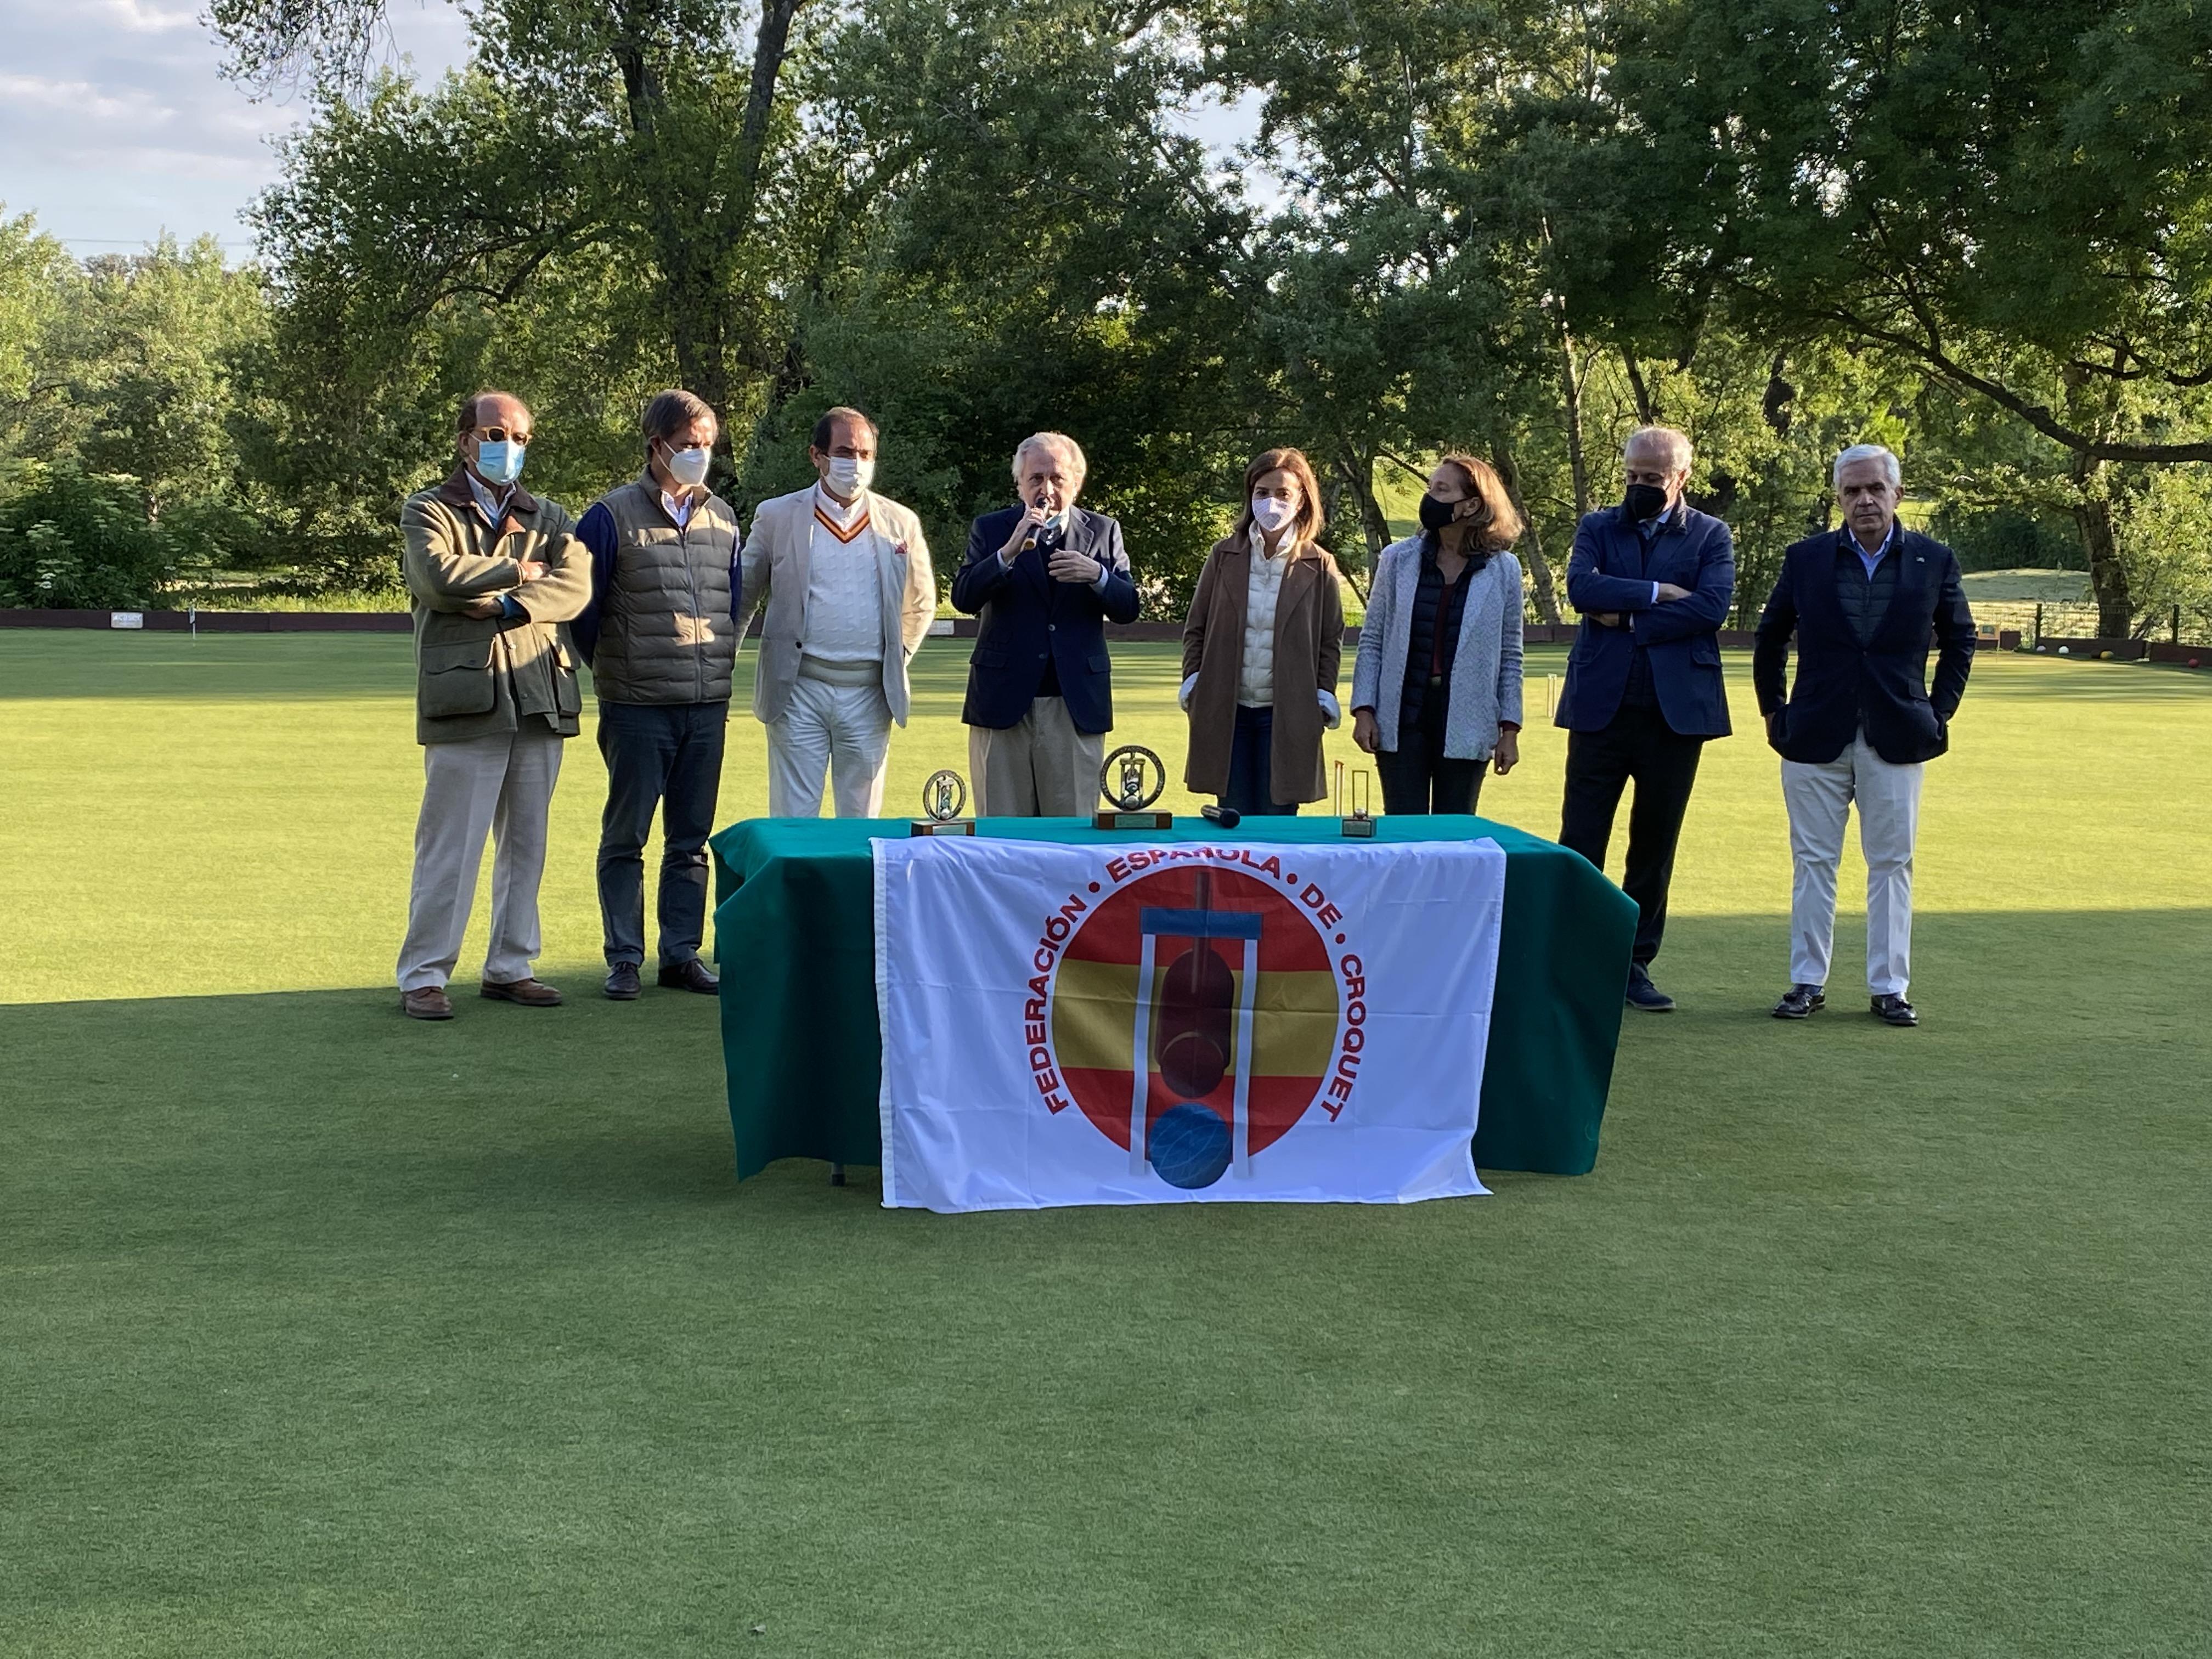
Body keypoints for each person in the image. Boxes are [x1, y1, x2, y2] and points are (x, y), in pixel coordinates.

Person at [1753, 443, 1976, 1028]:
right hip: (1813, 736)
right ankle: (1807, 982)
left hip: (1899, 734)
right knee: (1813, 862)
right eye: (1852, 491)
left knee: (1892, 862)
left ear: (1897, 494)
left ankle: (1889, 987)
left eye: (1875, 488)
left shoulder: (1934, 559)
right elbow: (1770, 637)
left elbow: (1961, 640)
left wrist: (1938, 712)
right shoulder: (1805, 559)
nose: (1865, 500)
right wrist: (1774, 711)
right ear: (1839, 499)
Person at [394, 390, 590, 1020]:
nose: (510, 447)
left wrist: (508, 599)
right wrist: (520, 572)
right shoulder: (427, 509)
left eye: (522, 438)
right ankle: (424, 974)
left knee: (527, 843)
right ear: (466, 440)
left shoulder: (552, 515)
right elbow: (437, 578)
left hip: (540, 693)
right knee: (450, 846)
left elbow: (577, 586)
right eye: (497, 434)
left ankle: (511, 966)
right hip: (466, 696)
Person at [1556, 424, 1735, 1013]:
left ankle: (1633, 963)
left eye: (1651, 479)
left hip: (1674, 715)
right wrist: (1659, 591)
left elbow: (1711, 607)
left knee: (1653, 845)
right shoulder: (1596, 527)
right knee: (1581, 841)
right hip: (1600, 710)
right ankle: (1572, 960)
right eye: (1632, 475)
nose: (1639, 486)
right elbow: (1582, 589)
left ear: (1681, 478)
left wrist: (1627, 615)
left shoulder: (1711, 535)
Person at [571, 390, 742, 1002]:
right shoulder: (609, 516)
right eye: (689, 445)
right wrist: (617, 672)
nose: (700, 455)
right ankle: (623, 958)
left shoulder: (723, 516)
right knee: (626, 837)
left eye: (707, 445)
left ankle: (680, 955)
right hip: (636, 704)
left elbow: (735, 601)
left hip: (706, 702)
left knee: (691, 840)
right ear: (657, 445)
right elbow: (581, 613)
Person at [736, 407, 935, 818]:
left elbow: (920, 603)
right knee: (794, 822)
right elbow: (742, 597)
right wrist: (718, 666)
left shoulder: (900, 522)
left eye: (866, 454)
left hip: (869, 694)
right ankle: (795, 886)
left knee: (859, 825)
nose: (857, 463)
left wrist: (895, 661)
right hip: (797, 690)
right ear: (817, 456)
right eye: (845, 452)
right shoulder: (776, 516)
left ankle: (856, 887)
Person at [952, 433, 1139, 815]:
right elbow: (964, 597)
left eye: (1057, 478)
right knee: (1002, 832)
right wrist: (1007, 553)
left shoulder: (1103, 532)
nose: (1046, 489)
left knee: (1069, 834)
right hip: (1003, 703)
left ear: (1076, 483)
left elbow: (1128, 607)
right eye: (1036, 478)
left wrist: (1097, 575)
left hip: (1074, 704)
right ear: (1020, 483)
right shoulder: (991, 529)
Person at [1350, 453, 1526, 814]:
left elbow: (1510, 656)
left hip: (1468, 720)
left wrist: (1510, 729)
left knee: (1454, 838)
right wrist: (1364, 709)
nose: (1429, 497)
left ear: (1472, 504)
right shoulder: (1396, 560)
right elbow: (1372, 640)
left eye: (1442, 489)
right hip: (1402, 718)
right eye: (1430, 487)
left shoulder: (1504, 570)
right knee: (1404, 836)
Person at [1179, 448, 1346, 815]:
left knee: (1278, 822)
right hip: (1229, 709)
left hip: (1287, 712)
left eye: (1283, 493)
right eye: (1262, 492)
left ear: (1302, 499)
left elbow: (1330, 641)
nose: (1272, 501)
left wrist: (1321, 697)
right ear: (1250, 496)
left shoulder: (1319, 565)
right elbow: (1197, 627)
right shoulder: (1223, 556)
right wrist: (1193, 682)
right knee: (1233, 819)